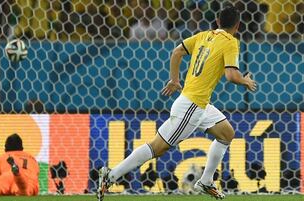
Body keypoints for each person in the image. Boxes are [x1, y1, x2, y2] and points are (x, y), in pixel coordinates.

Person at [97, 5, 256, 200]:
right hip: (192, 106)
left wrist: (174, 80)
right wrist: (245, 81)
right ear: (238, 25)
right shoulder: (231, 42)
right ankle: (111, 176)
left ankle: (206, 181)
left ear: (217, 22)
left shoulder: (203, 35)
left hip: (198, 103)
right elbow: (231, 75)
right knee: (158, 147)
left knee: (226, 134)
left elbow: (177, 51)